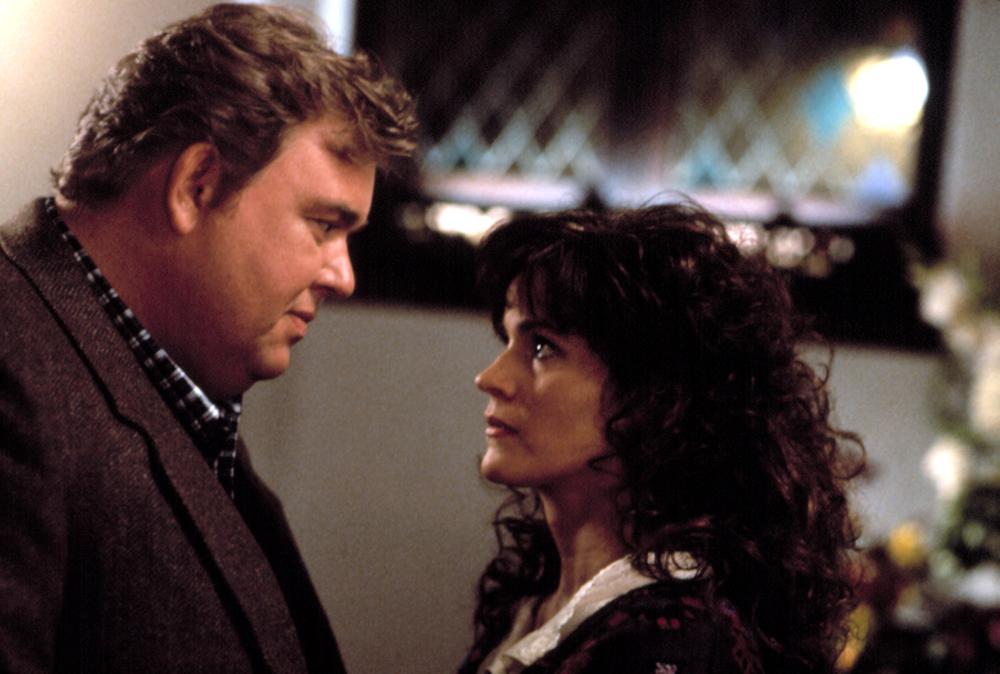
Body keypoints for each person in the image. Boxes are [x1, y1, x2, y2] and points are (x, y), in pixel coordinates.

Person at [0, 4, 416, 673]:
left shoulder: (159, 374)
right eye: (323, 225)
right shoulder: (16, 359)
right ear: (197, 185)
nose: (342, 277)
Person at [460, 204, 865, 674]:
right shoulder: (536, 602)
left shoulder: (674, 646)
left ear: (655, 397)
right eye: (508, 341)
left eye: (542, 346)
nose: (490, 378)